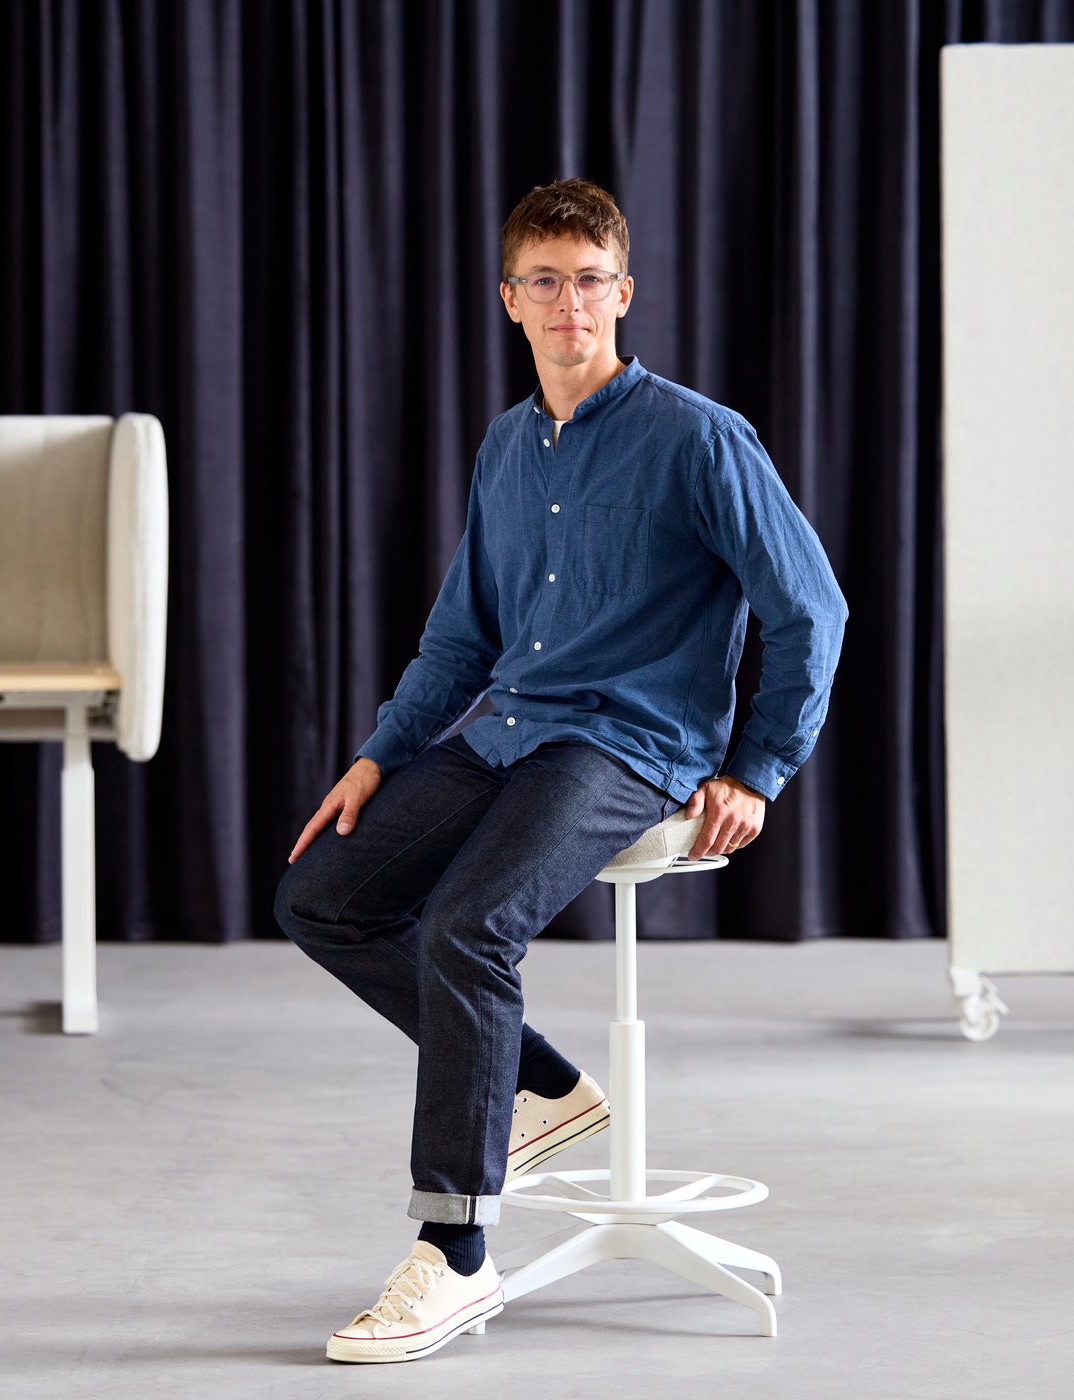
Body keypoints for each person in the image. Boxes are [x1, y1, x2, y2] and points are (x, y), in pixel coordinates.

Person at [273, 177, 847, 1364]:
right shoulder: (503, 442)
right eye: (544, 279)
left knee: (467, 926)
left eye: (590, 280)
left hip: (631, 741)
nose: (568, 301)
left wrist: (757, 766)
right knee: (319, 894)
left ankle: (455, 1255)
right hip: (506, 728)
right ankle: (539, 1085)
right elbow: (460, 635)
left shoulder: (698, 436)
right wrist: (380, 754)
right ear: (509, 300)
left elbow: (809, 607)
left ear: (622, 294)